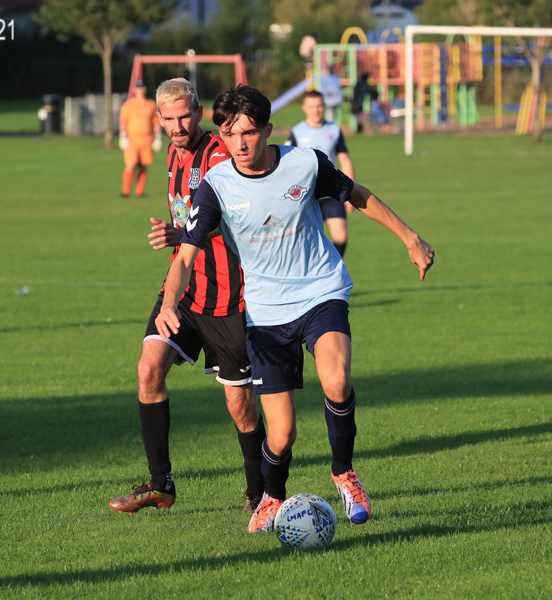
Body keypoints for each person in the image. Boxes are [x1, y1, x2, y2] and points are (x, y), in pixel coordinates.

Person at [154, 85, 434, 533]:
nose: (240, 144)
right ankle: (272, 496)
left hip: (320, 290)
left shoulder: (304, 162)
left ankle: (344, 473)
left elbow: (357, 195)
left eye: (248, 133)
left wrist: (410, 237)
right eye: (229, 135)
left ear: (267, 130)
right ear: (221, 136)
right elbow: (186, 255)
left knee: (336, 379)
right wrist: (169, 303)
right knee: (281, 434)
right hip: (265, 314)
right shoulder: (217, 187)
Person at [109, 78, 266, 514]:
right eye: (169, 119)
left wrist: (186, 232)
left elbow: (239, 213)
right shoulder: (174, 157)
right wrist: (179, 239)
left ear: (198, 113)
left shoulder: (220, 155)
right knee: (148, 369)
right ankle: (161, 484)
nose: (178, 126)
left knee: (240, 407)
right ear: (158, 119)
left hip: (229, 297)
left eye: (185, 117)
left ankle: (260, 493)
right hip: (184, 289)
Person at [286, 90, 355, 258]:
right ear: (304, 108)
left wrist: (350, 193)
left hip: (332, 190)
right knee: (304, 240)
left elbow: (345, 160)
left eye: (319, 106)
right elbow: (288, 165)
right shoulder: (296, 132)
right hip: (307, 192)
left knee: (341, 237)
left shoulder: (334, 130)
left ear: (324, 106)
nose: (316, 110)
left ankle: (330, 269)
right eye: (312, 106)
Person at [119, 80, 162, 197]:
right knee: (131, 163)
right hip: (132, 138)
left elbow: (155, 122)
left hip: (147, 138)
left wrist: (158, 137)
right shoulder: (128, 104)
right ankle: (125, 191)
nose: (140, 90)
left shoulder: (151, 104)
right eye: (138, 88)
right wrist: (122, 135)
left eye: (142, 87)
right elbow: (123, 121)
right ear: (135, 90)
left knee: (144, 164)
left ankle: (139, 191)